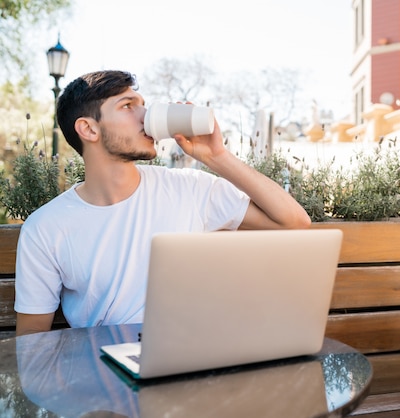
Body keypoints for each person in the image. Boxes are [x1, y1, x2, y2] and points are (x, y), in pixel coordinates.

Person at [14, 70, 311, 336]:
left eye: (143, 104)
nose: (145, 115)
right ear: (89, 129)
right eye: (128, 106)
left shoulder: (191, 188)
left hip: (194, 357)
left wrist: (216, 157)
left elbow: (294, 222)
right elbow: (32, 340)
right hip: (105, 371)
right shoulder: (45, 228)